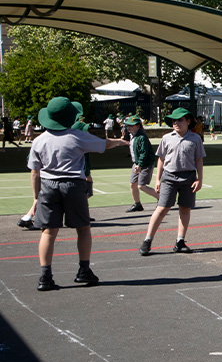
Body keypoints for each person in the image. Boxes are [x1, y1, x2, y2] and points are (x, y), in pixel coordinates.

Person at [28, 97, 128, 291]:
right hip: (73, 184)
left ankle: (45, 276)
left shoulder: (39, 141)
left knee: (48, 231)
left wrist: (35, 197)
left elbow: (34, 171)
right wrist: (119, 142)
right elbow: (103, 144)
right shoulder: (76, 136)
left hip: (48, 185)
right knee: (82, 228)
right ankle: (83, 270)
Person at [138, 107, 206, 256]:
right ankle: (148, 240)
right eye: (174, 120)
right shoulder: (166, 138)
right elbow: (161, 159)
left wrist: (200, 179)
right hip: (169, 177)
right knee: (162, 208)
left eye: (180, 120)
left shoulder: (195, 139)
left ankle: (180, 241)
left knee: (185, 208)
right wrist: (157, 179)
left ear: (188, 121)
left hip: (188, 177)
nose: (176, 123)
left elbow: (199, 160)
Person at [125, 116, 159, 213]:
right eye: (128, 125)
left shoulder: (142, 137)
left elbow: (144, 152)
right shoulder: (133, 136)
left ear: (137, 126)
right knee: (133, 184)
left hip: (145, 164)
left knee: (141, 185)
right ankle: (137, 204)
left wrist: (139, 165)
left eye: (131, 125)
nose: (128, 127)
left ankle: (161, 198)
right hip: (136, 163)